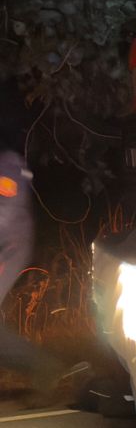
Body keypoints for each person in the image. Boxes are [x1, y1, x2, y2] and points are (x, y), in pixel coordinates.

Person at [0, 133, 68, 405]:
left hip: (9, 246)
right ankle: (45, 368)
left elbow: (10, 211)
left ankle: (46, 368)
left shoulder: (8, 163)